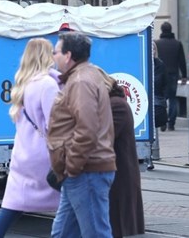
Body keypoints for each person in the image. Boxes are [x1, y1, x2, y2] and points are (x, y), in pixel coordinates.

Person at [0, 38, 61, 237]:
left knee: (10, 210)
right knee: (72, 208)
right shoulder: (48, 85)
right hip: (44, 157)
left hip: (23, 154)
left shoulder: (25, 83)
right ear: (46, 56)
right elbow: (54, 125)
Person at [48, 32, 116, 237]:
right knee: (61, 233)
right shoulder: (85, 76)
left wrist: (72, 166)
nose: (53, 57)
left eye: (56, 52)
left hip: (86, 171)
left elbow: (87, 129)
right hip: (82, 171)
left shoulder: (80, 81)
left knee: (95, 233)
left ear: (68, 55)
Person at [108, 79, 145, 237]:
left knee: (121, 222)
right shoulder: (113, 104)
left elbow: (104, 137)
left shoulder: (116, 105)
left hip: (120, 171)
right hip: (115, 171)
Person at [155, 22, 187, 131]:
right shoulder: (177, 43)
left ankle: (162, 120)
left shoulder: (157, 43)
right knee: (173, 98)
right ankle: (171, 123)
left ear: (161, 30)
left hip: (159, 73)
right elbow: (182, 61)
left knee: (162, 97)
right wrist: (184, 76)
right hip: (173, 74)